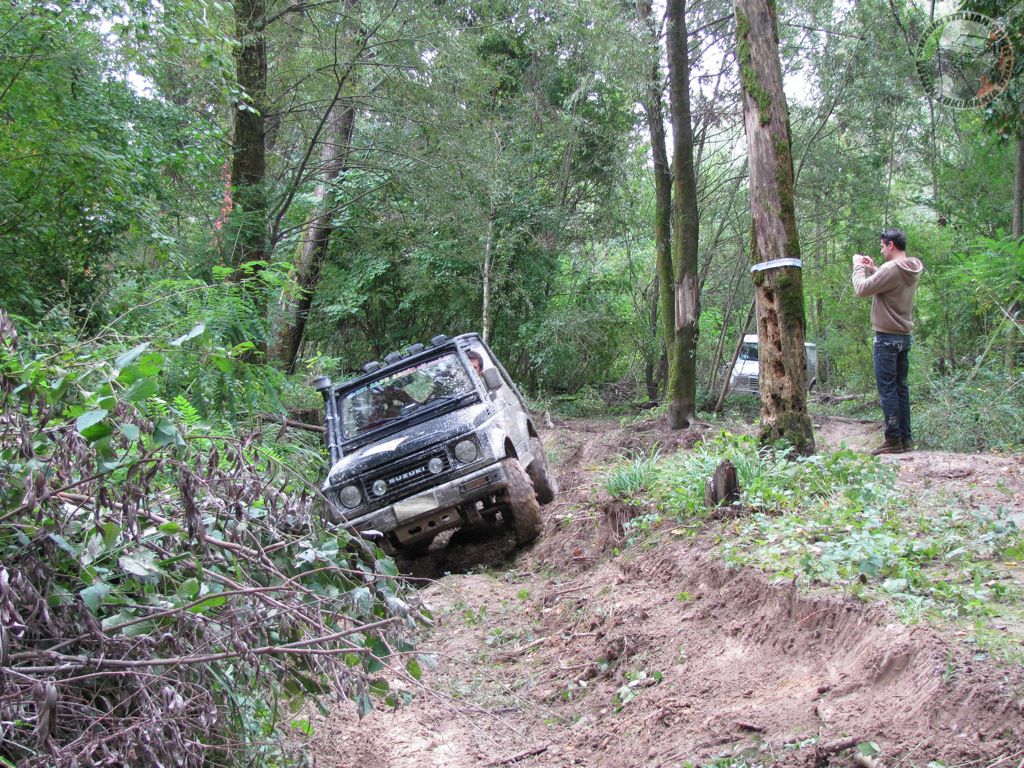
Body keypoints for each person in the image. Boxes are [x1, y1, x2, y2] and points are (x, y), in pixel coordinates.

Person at [852, 228, 925, 455]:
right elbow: (891, 286)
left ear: (891, 245)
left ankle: (892, 439)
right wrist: (874, 269)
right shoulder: (911, 267)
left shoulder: (891, 268)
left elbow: (862, 289)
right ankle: (905, 438)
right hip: (903, 336)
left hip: (886, 338)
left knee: (888, 390)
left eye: (883, 246)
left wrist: (858, 266)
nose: (882, 250)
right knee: (901, 388)